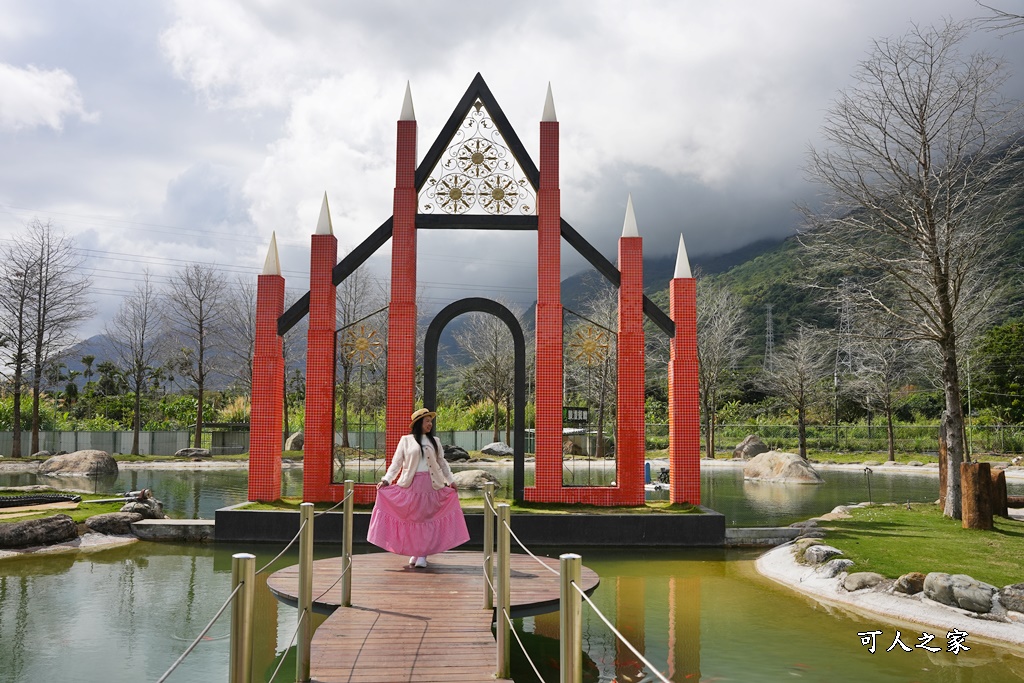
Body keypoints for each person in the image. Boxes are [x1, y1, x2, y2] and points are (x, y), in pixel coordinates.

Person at [366, 408, 469, 568]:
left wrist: (450, 480)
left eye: (430, 421)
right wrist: (386, 480)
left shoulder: (435, 441)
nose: (430, 424)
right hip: (411, 485)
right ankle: (416, 552)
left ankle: (422, 554)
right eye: (427, 421)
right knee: (413, 519)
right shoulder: (405, 440)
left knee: (425, 519)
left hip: (431, 486)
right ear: (419, 423)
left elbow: (442, 463)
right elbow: (396, 463)